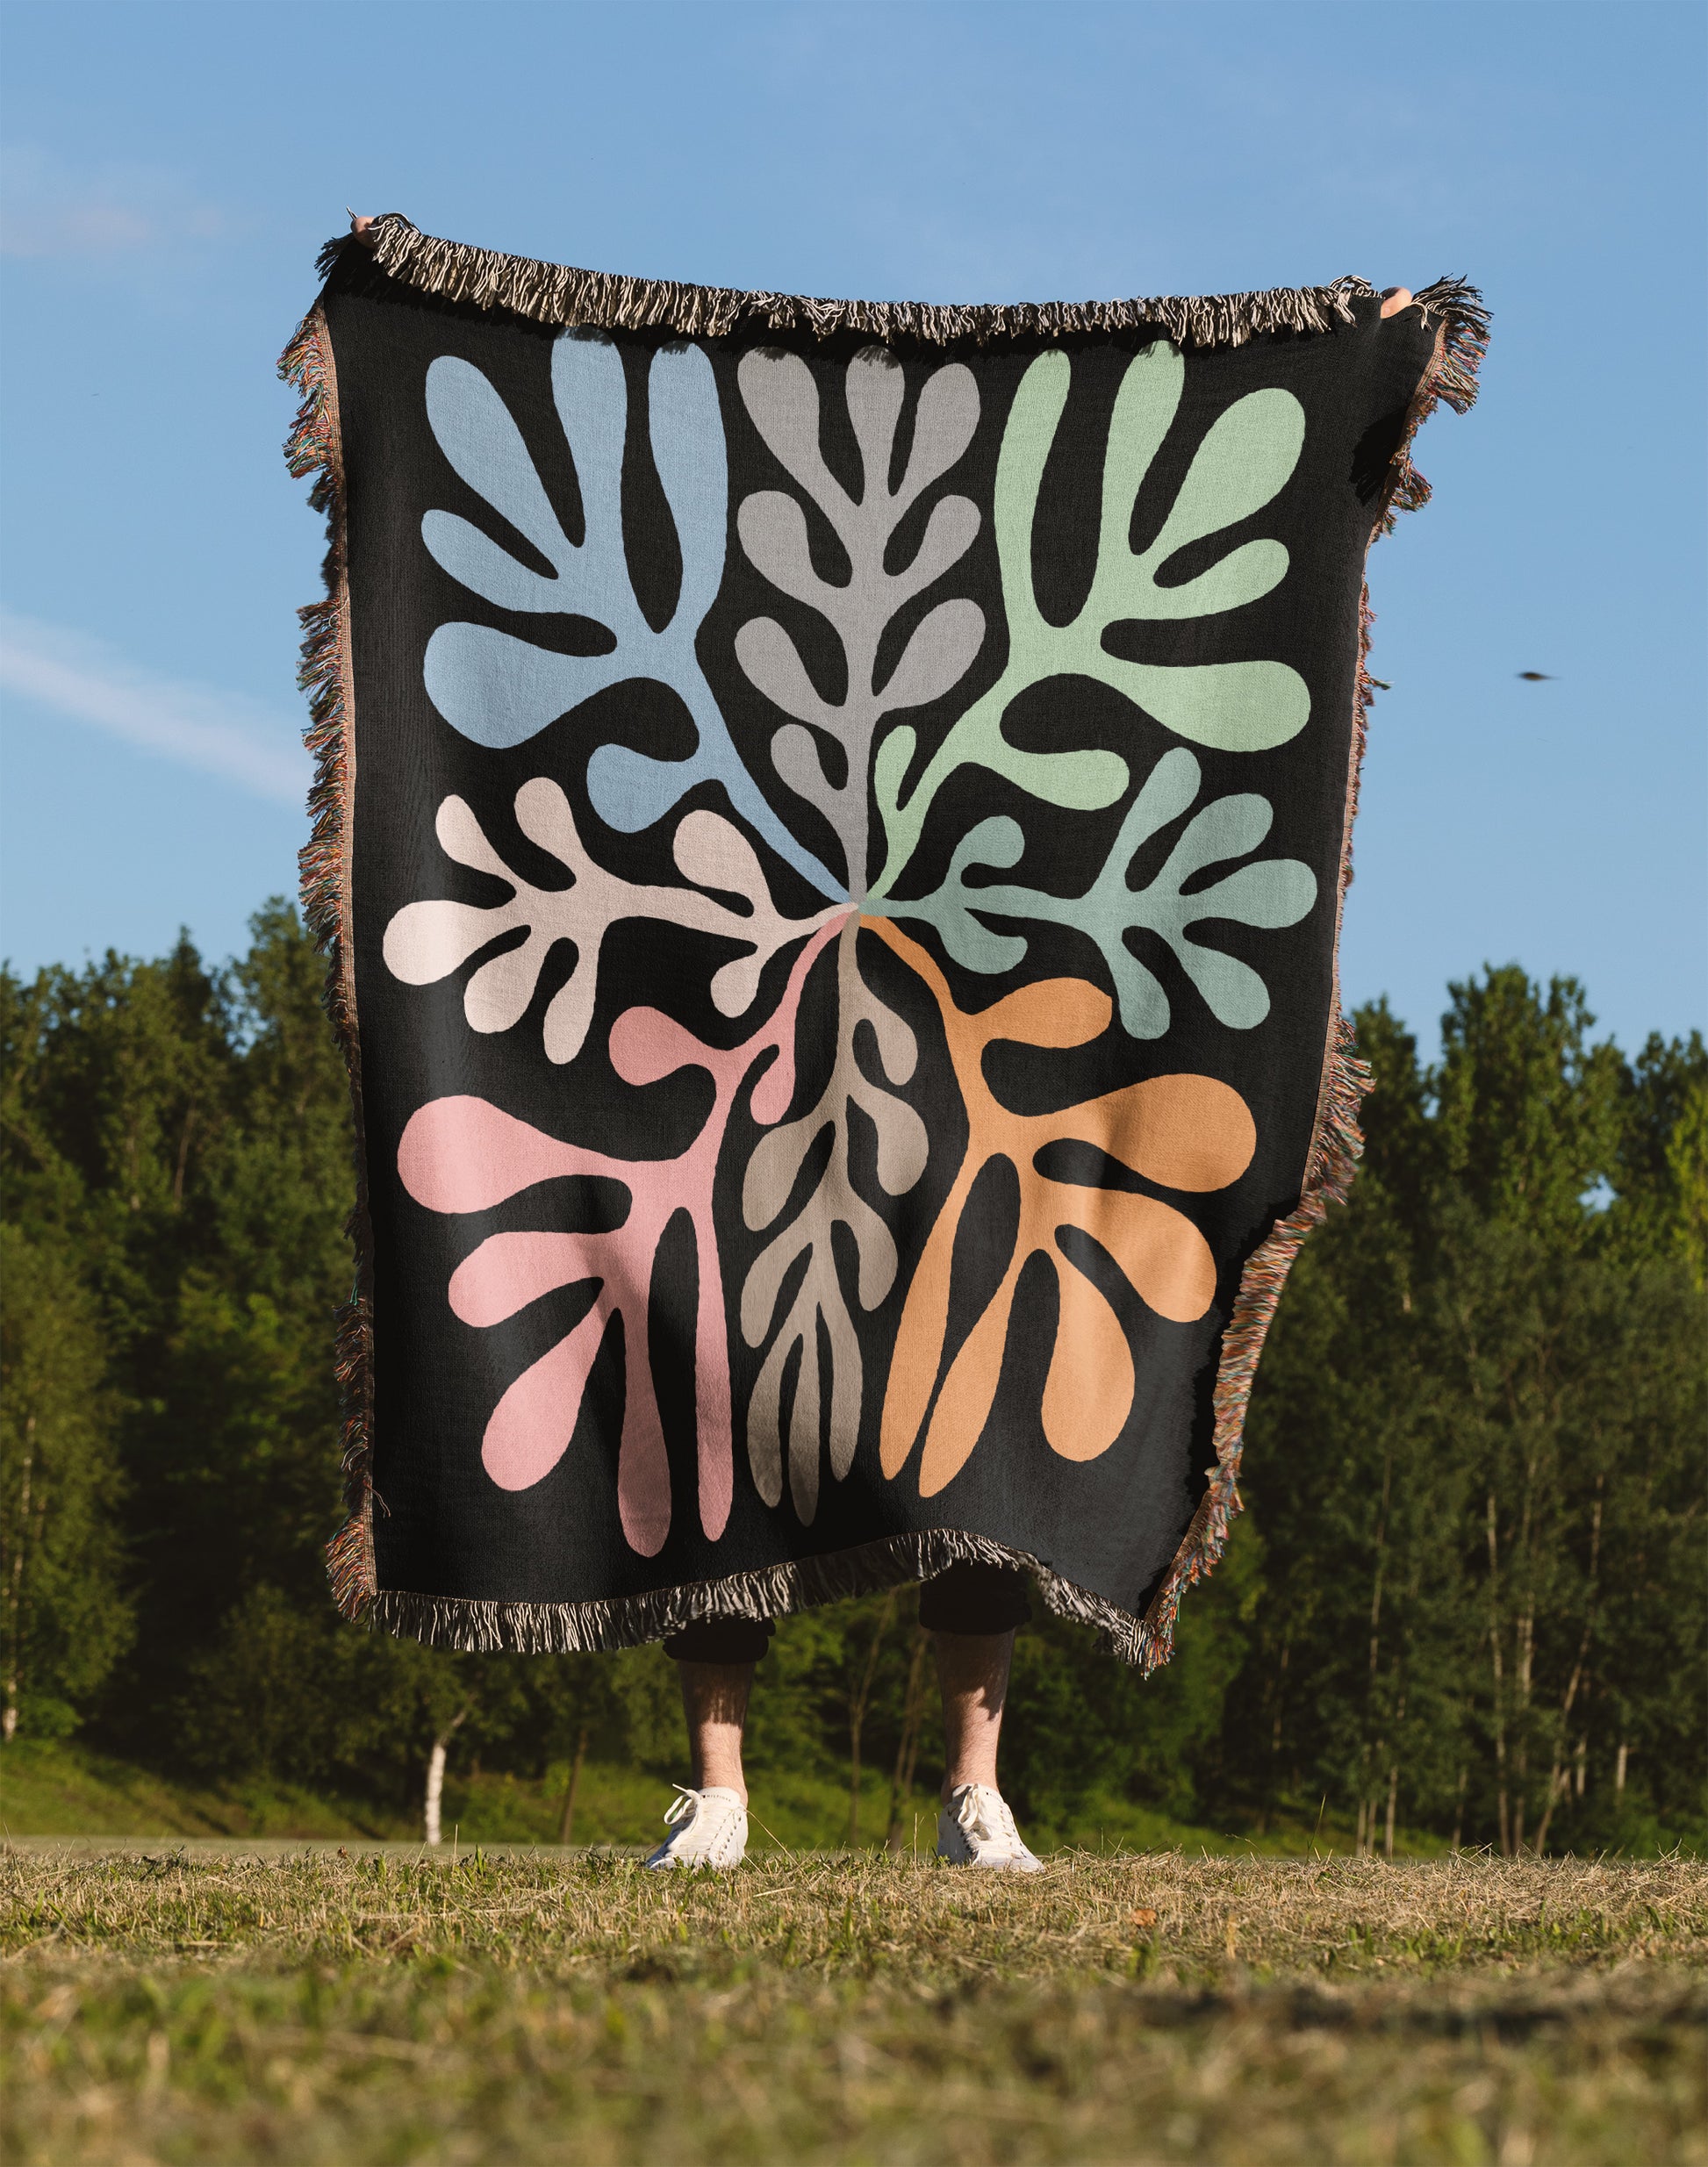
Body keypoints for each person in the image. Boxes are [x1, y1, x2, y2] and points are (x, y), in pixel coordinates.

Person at [345, 215, 1412, 1873]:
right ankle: (721, 1787)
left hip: (969, 976)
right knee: (710, 1363)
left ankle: (974, 1787)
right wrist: (398, 311)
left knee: (979, 1406)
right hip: (734, 964)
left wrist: (1347, 354)